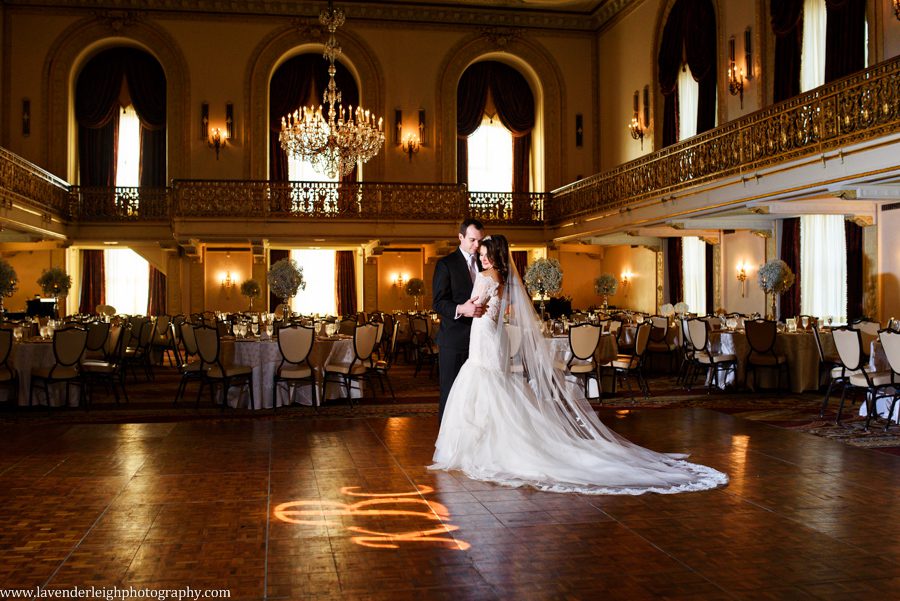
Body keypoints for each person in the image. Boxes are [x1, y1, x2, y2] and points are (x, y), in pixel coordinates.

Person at [431, 235, 728, 495]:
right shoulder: (503, 279)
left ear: (495, 255)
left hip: (484, 338)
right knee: (492, 386)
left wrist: (467, 308)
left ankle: (485, 448)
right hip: (490, 338)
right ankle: (492, 444)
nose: (481, 258)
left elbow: (476, 308)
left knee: (485, 386)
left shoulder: (485, 277)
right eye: (480, 254)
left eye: (485, 254)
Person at [432, 218, 485, 421]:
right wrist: (462, 309)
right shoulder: (446, 264)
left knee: (476, 394)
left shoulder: (484, 262)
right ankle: (446, 437)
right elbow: (438, 303)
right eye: (472, 240)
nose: (477, 245)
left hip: (481, 340)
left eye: (480, 240)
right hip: (453, 340)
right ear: (460, 237)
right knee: (451, 392)